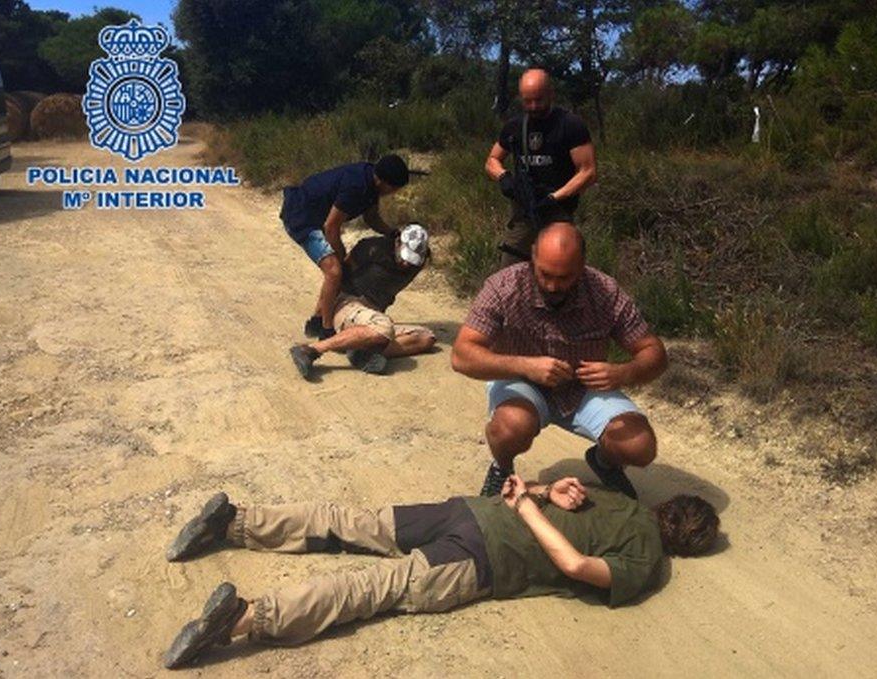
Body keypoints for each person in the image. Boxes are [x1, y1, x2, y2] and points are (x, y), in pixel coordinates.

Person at [162, 477, 720, 669]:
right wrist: (536, 499)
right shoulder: (647, 562)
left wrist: (534, 495)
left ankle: (235, 525)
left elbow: (568, 532)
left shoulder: (630, 512)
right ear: (688, 545)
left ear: (670, 509)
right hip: (482, 554)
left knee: (353, 523)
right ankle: (243, 619)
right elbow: (574, 562)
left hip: (470, 515)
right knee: (369, 586)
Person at [451, 223, 668, 497]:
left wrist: (624, 372)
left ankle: (604, 463)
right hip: (522, 383)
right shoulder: (503, 287)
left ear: (582, 266)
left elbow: (654, 351)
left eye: (565, 277)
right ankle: (502, 469)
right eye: (545, 274)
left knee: (639, 447)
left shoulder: (605, 292)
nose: (553, 286)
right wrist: (525, 366)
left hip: (582, 388)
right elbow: (461, 355)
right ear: (532, 256)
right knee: (511, 426)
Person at [280, 155, 410, 340]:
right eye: (394, 188)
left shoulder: (371, 182)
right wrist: (342, 260)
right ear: (383, 181)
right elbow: (331, 227)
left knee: (338, 270)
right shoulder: (356, 187)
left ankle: (316, 320)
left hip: (317, 216)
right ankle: (326, 330)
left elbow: (371, 218)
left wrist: (392, 233)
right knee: (334, 271)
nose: (394, 192)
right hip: (301, 217)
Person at [288, 223, 434, 378]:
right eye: (405, 257)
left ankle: (361, 350)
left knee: (425, 337)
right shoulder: (372, 248)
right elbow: (339, 278)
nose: (406, 264)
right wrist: (321, 316)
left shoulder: (418, 264)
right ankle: (312, 350)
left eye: (412, 260)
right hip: (348, 304)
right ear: (398, 242)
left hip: (370, 314)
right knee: (383, 327)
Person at [485, 68, 597, 267]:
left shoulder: (570, 125)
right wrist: (504, 177)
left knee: (561, 272)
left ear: (551, 94)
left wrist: (555, 197)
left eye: (539, 100)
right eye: (528, 101)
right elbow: (492, 160)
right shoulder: (515, 126)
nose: (534, 106)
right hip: (524, 212)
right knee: (507, 273)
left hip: (558, 211)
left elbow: (588, 172)